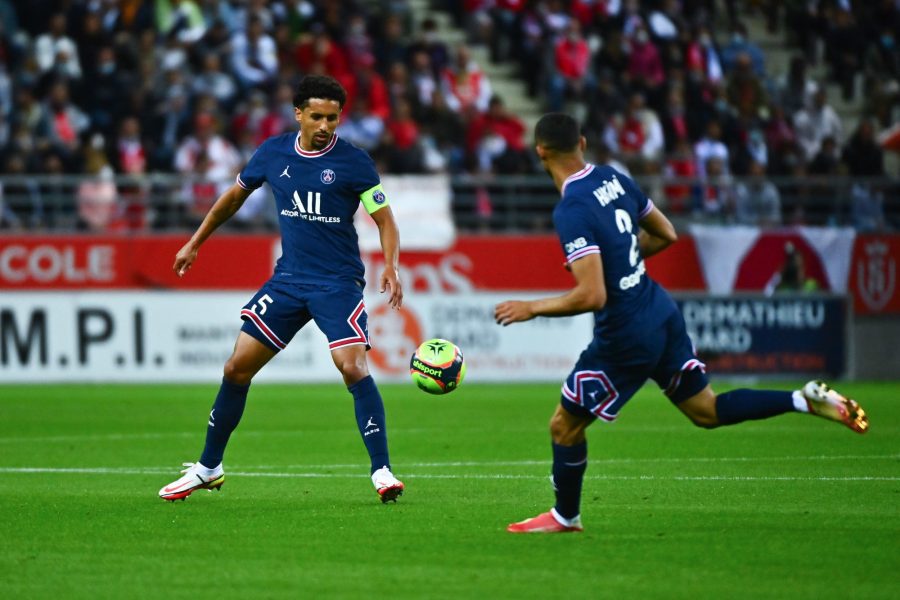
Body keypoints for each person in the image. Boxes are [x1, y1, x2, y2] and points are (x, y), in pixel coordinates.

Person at [493, 113, 869, 534]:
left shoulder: (572, 209)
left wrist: (532, 307)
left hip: (626, 334)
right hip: (659, 310)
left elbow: (593, 295)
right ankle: (802, 400)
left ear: (540, 151)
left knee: (564, 426)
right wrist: (623, 258)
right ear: (582, 141)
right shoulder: (612, 178)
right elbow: (666, 233)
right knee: (705, 410)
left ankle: (565, 516)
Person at [158, 75, 405, 504]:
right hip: (288, 280)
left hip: (337, 283)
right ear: (298, 114)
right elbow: (233, 198)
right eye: (317, 116)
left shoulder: (354, 162)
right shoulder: (272, 152)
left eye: (332, 117)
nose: (326, 125)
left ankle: (382, 471)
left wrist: (391, 266)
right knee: (236, 369)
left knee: (353, 368)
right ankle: (207, 468)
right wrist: (196, 241)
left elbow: (384, 219)